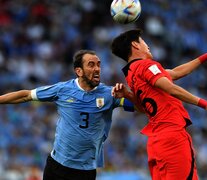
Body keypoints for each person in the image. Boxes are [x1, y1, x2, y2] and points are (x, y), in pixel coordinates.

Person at [0, 49, 135, 180]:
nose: (97, 69)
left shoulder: (110, 94)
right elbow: (26, 95)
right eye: (91, 65)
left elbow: (140, 107)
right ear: (79, 71)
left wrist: (127, 94)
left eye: (99, 64)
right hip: (57, 166)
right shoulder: (62, 90)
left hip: (85, 171)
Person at [110, 29, 207, 180]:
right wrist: (204, 104)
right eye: (143, 41)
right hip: (172, 137)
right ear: (135, 45)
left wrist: (204, 57)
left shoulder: (132, 75)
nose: (147, 45)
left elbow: (176, 73)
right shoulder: (146, 66)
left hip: (156, 143)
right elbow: (170, 87)